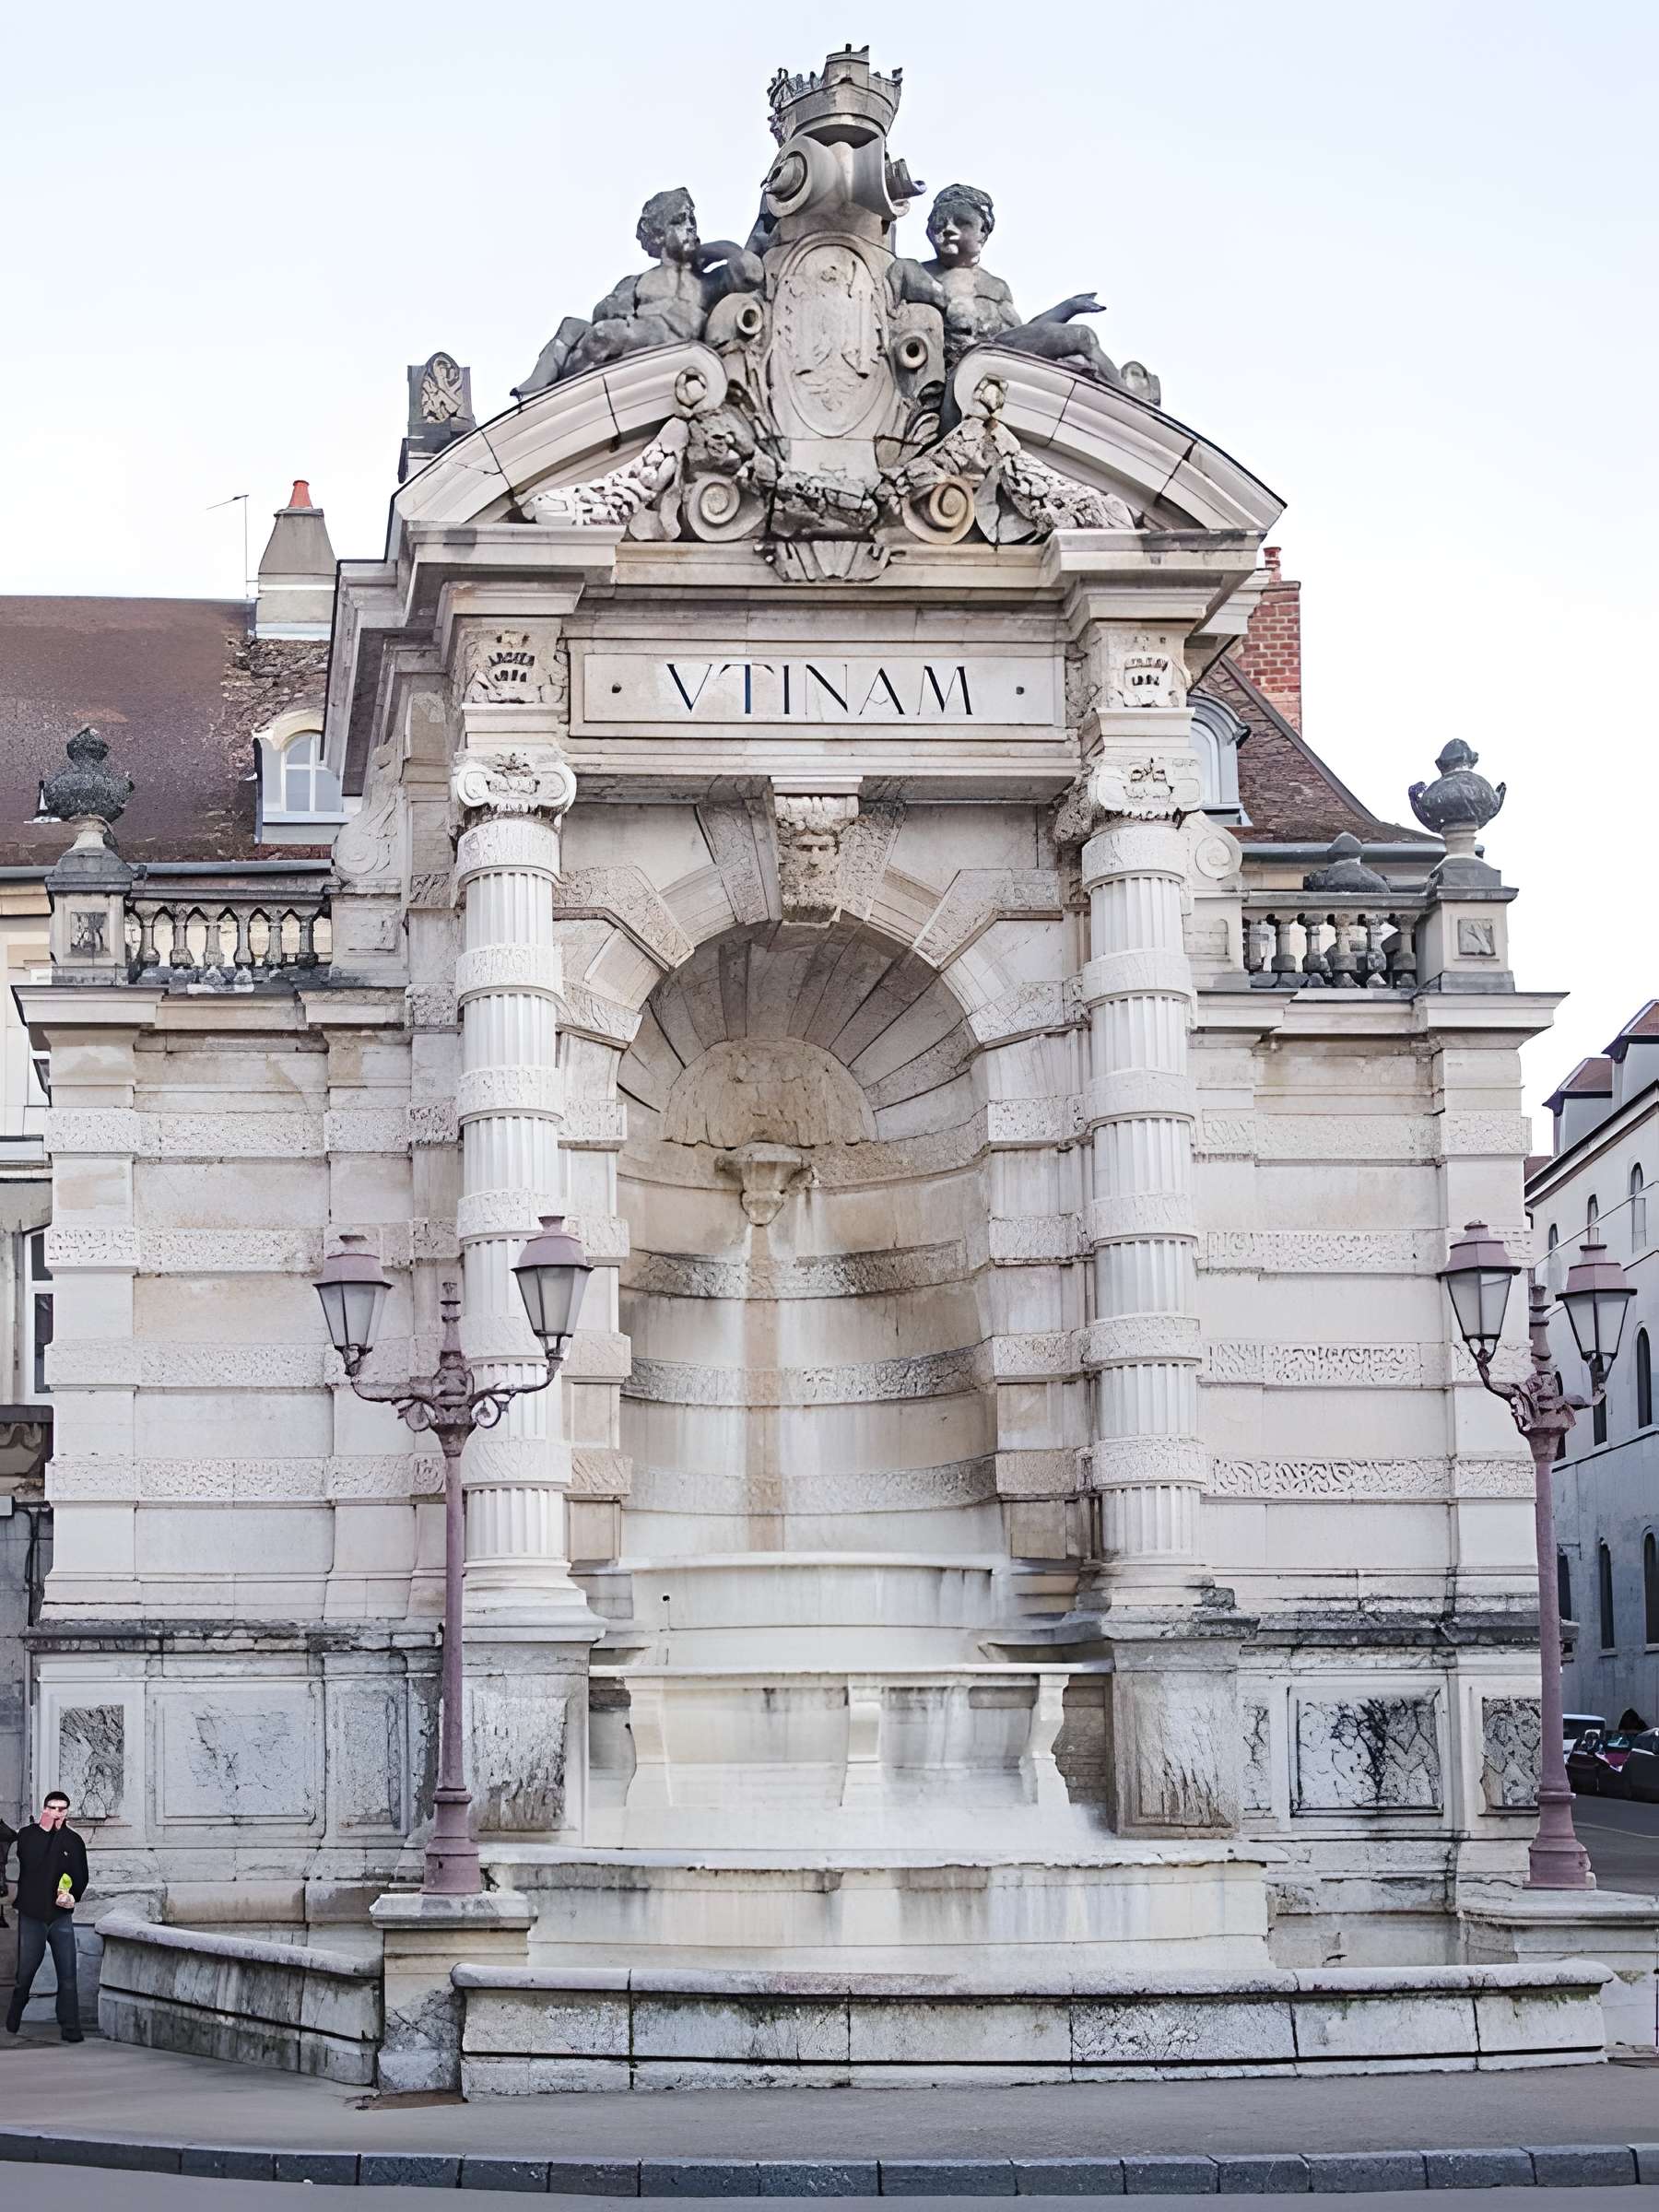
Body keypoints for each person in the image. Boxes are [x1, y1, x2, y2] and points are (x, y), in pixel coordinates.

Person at [916, 182, 1122, 387]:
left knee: (1080, 353)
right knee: (1082, 338)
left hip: (1000, 354)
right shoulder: (919, 273)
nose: (948, 229)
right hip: (965, 366)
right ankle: (1133, 403)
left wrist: (1069, 307)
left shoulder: (996, 287)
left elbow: (1025, 336)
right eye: (939, 221)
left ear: (982, 233)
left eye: (962, 222)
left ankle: (1129, 402)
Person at [2, 1789, 89, 2041]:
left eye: (62, 1809)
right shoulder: (27, 1837)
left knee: (68, 1974)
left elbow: (81, 1875)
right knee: (26, 1973)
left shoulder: (74, 1841)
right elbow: (28, 1865)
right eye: (53, 1808)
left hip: (61, 1916)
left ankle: (70, 2028)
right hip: (32, 1915)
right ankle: (14, 2014)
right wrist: (45, 1831)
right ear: (45, 1809)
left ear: (67, 1812)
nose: (57, 1813)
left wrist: (74, 1895)